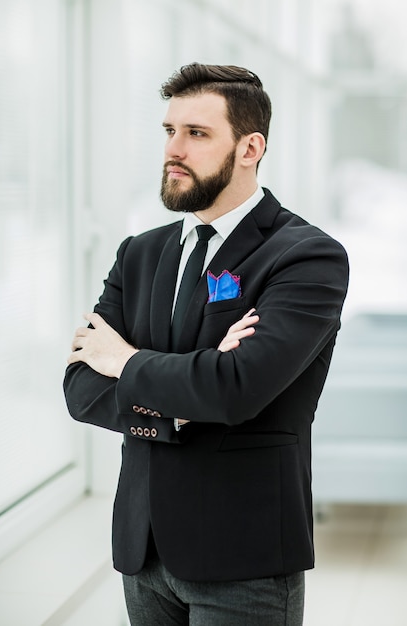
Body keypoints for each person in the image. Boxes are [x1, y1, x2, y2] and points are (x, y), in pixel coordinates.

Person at [64, 63, 349, 626]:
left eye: (196, 134)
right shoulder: (139, 253)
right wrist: (183, 405)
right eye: (169, 131)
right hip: (142, 551)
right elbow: (79, 387)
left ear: (249, 147)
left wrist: (125, 362)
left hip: (244, 555)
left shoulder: (306, 256)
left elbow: (235, 391)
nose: (175, 149)